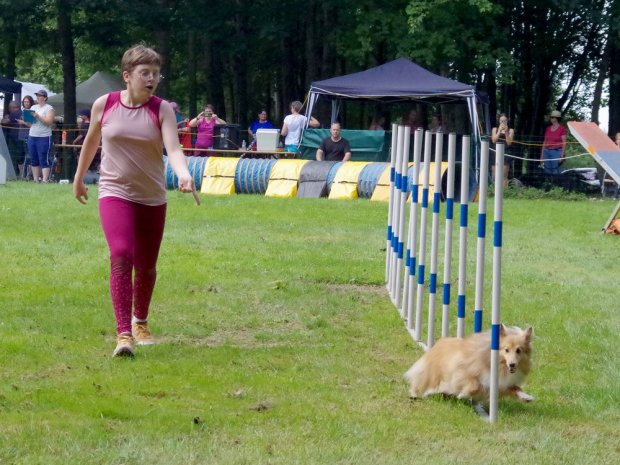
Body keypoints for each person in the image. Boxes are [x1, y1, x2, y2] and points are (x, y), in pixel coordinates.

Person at [72, 44, 198, 358]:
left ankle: (140, 320)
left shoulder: (162, 109)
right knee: (120, 253)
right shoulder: (106, 104)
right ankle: (124, 334)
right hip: (114, 191)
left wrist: (184, 174)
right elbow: (91, 143)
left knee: (146, 266)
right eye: (145, 73)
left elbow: (174, 148)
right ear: (127, 76)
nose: (151, 78)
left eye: (156, 73)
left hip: (152, 196)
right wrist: (78, 178)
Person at [27, 89, 55, 182]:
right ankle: (35, 179)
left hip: (44, 137)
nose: (38, 97)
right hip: (32, 135)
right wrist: (26, 119)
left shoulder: (49, 108)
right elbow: (30, 123)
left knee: (43, 158)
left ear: (45, 98)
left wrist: (38, 116)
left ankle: (45, 179)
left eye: (40, 96)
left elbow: (49, 122)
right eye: (37, 95)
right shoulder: (33, 107)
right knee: (33, 158)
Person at [490, 113, 514, 187]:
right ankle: (495, 193)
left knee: (503, 176)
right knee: (495, 175)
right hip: (495, 153)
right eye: (501, 121)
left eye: (505, 121)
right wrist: (499, 131)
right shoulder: (495, 129)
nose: (503, 122)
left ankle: (505, 193)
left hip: (505, 153)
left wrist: (506, 132)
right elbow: (494, 140)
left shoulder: (511, 130)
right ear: (499, 121)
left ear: (507, 121)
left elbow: (509, 142)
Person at [540, 110, 567, 175]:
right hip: (546, 151)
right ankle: (549, 184)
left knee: (555, 172)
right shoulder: (548, 128)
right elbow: (545, 142)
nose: (550, 118)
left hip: (556, 152)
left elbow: (564, 143)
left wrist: (562, 156)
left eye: (552, 117)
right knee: (547, 171)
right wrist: (542, 155)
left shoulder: (562, 129)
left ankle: (556, 184)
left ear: (556, 118)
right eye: (550, 117)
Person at [1, 101, 24, 175]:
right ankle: (21, 173)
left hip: (15, 139)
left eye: (9, 108)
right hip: (21, 138)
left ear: (13, 108)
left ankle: (15, 173)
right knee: (21, 156)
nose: (9, 109)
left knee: (14, 157)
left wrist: (5, 118)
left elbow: (4, 121)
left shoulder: (14, 113)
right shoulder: (22, 113)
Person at [17, 96, 35, 178]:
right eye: (25, 102)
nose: (26, 103)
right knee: (20, 155)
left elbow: (31, 124)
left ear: (31, 102)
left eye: (28, 102)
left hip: (29, 136)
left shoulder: (32, 112)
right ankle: (21, 174)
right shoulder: (21, 111)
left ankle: (29, 174)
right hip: (21, 136)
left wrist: (22, 122)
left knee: (29, 155)